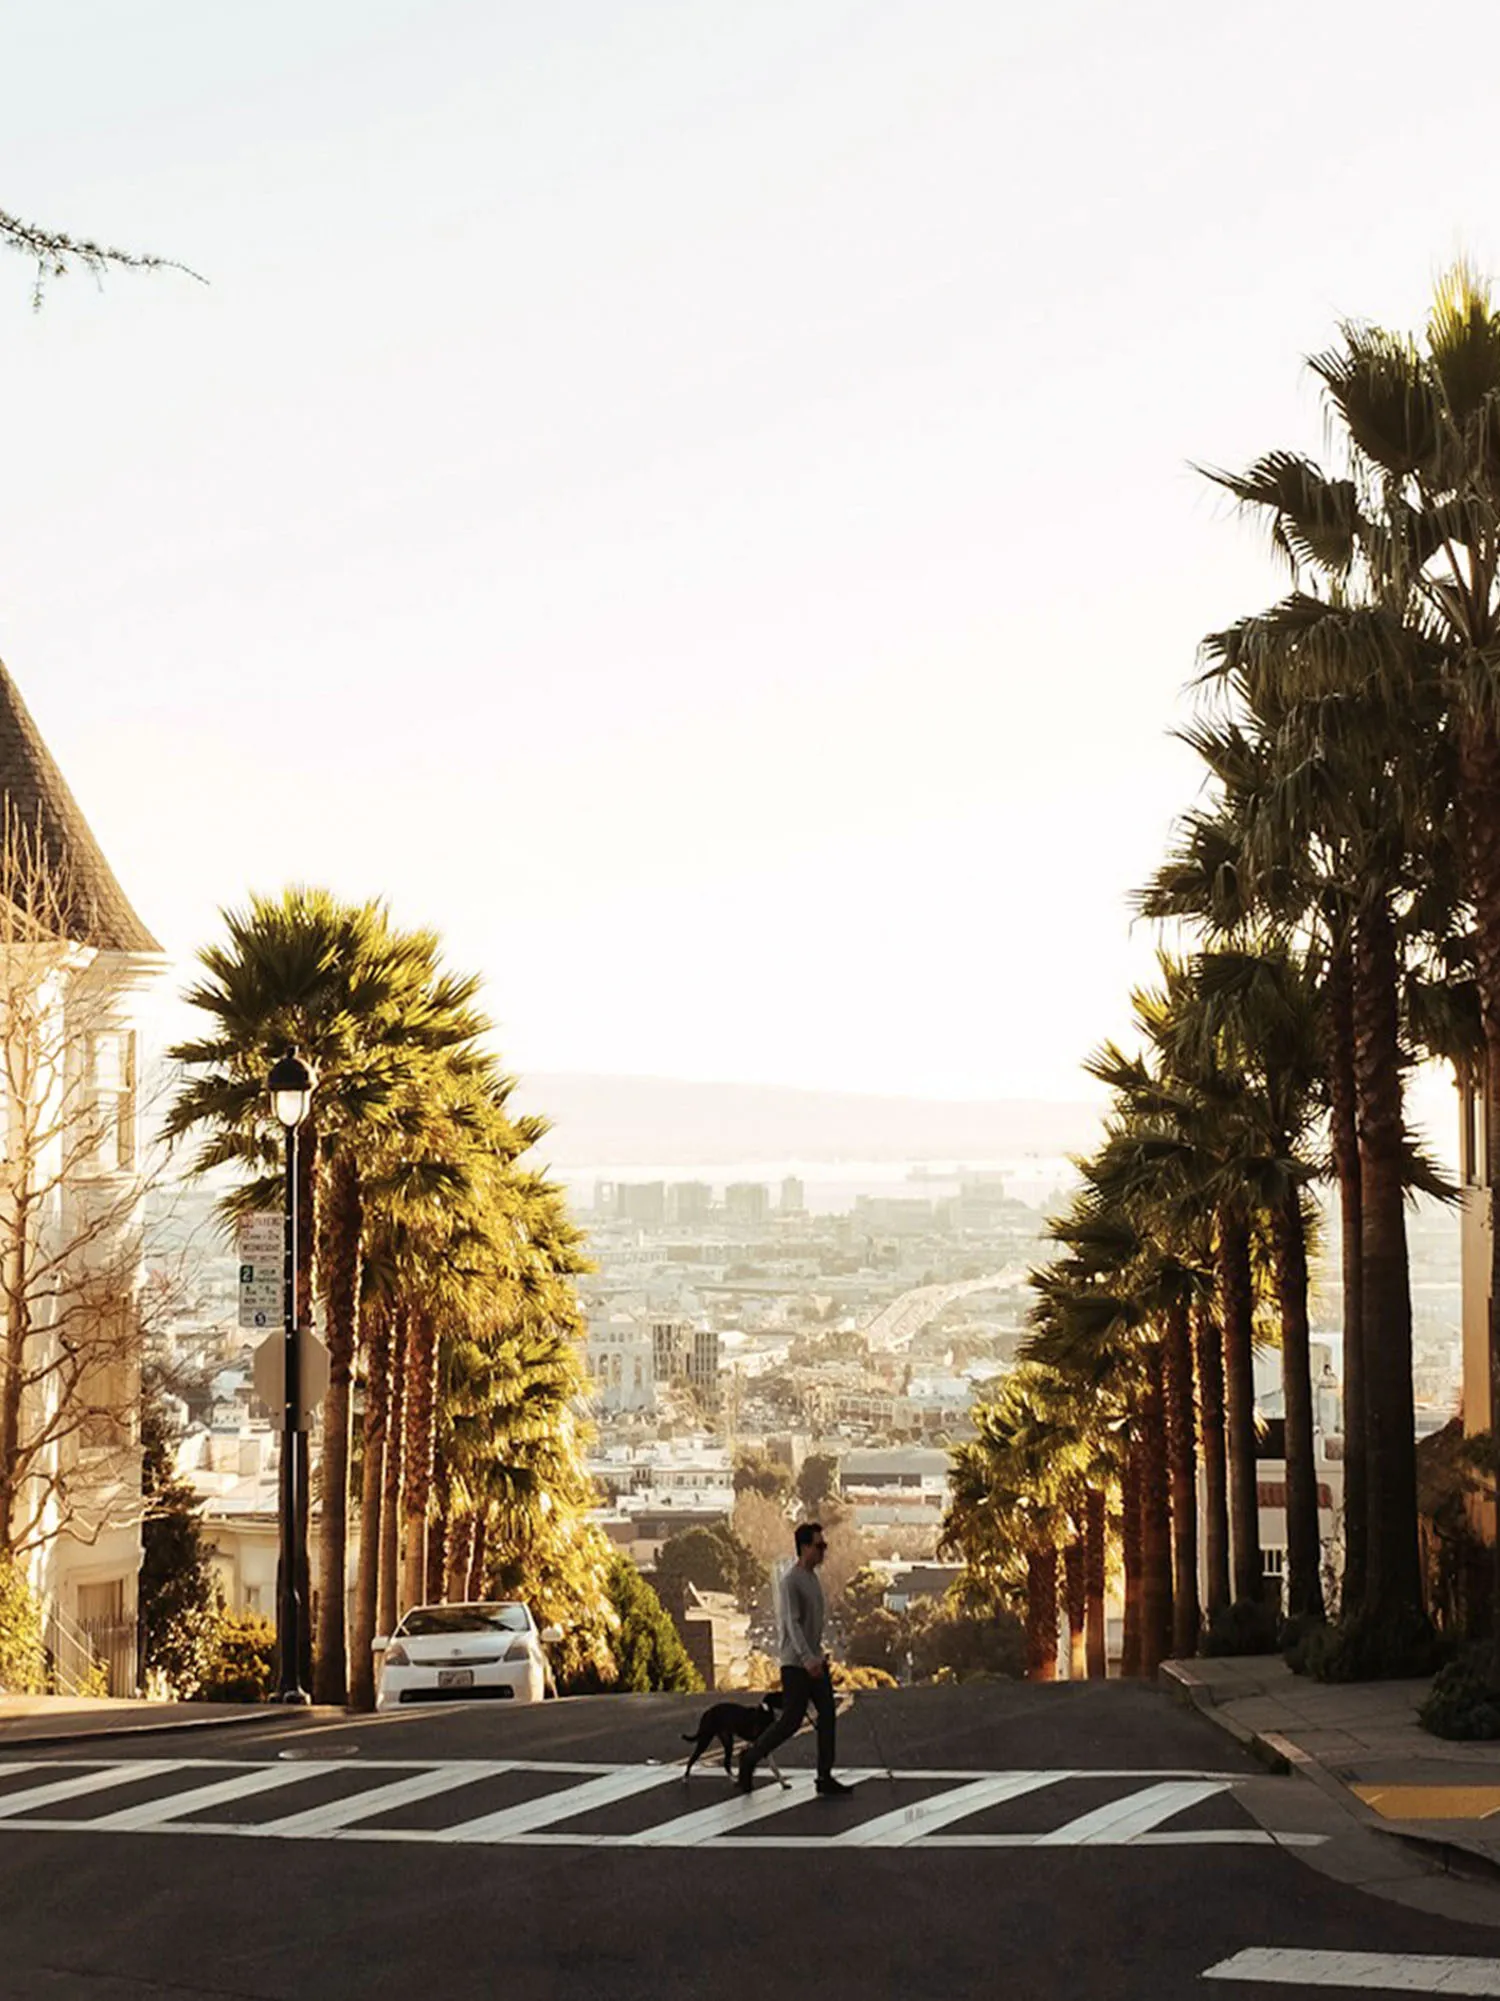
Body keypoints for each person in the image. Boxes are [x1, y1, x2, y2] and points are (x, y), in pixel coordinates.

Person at [738, 1521, 853, 1797]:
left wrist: (819, 1655)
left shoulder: (812, 1578)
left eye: (824, 1546)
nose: (824, 1551)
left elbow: (812, 1624)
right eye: (819, 1545)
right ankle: (750, 1758)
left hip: (814, 1660)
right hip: (796, 1664)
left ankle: (824, 1776)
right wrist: (806, 1658)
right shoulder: (791, 1581)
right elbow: (792, 1623)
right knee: (791, 1721)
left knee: (827, 1716)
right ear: (804, 1547)